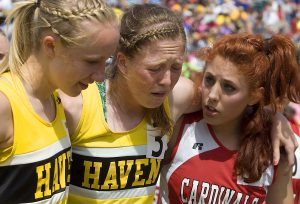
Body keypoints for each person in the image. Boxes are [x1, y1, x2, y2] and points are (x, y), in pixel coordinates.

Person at [59, 4, 298, 204]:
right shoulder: (77, 104)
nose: (166, 81)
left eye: (176, 67)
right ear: (122, 62)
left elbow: (239, 96)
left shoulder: (174, 98)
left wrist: (274, 118)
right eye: (154, 69)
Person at [0, 0, 119, 203]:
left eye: (106, 61)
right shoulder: (5, 104)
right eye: (91, 61)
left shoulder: (55, 98)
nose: (100, 76)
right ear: (51, 46)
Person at [160, 33, 300, 203]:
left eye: (229, 87)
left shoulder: (274, 147)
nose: (212, 95)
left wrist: (275, 118)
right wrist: (275, 116)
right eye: (209, 79)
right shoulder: (181, 123)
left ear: (255, 96)